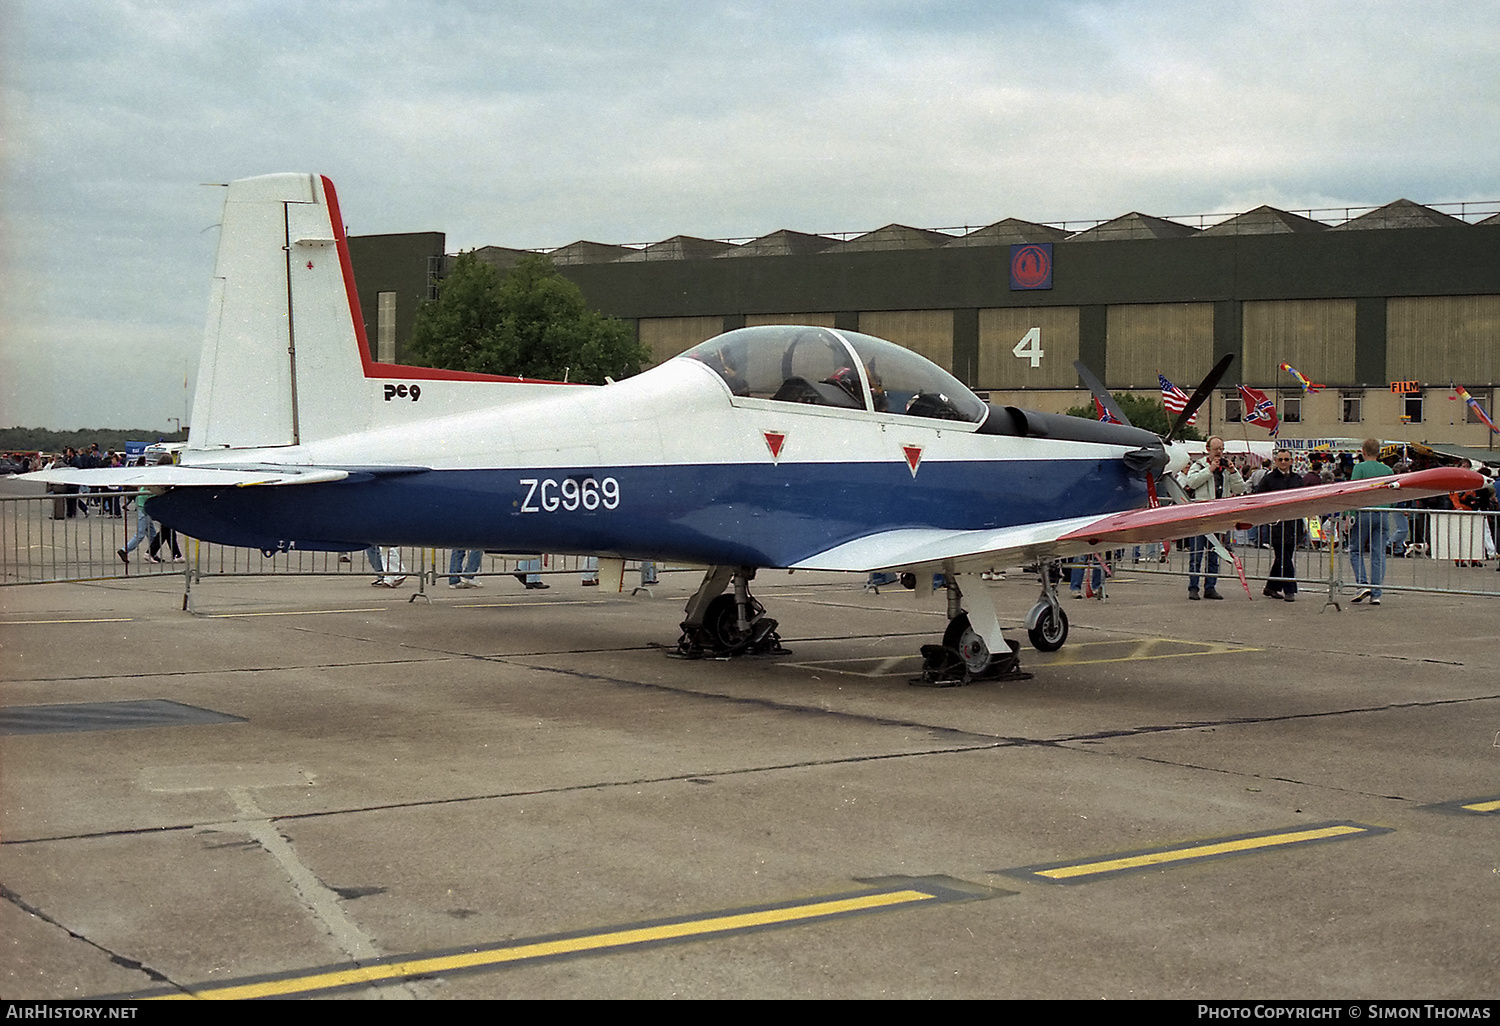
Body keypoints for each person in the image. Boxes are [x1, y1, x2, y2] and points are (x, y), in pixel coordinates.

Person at [1181, 436, 1246, 600]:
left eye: (1221, 449)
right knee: (1196, 554)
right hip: (1201, 516)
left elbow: (1240, 488)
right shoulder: (1199, 465)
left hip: (1218, 517)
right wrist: (1209, 470)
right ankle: (1193, 587)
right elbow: (1192, 482)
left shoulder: (1225, 469)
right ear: (1208, 449)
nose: (1219, 452)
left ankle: (1210, 587)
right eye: (1216, 449)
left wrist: (1233, 471)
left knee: (1214, 554)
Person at [1253, 447, 1304, 601]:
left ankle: (1271, 586)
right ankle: (1290, 589)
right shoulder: (1269, 479)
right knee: (1283, 556)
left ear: (1291, 461)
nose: (1283, 462)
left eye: (1286, 459)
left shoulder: (1297, 479)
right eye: (1280, 459)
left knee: (1284, 556)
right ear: (1275, 461)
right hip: (1276, 524)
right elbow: (1259, 497)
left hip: (1293, 523)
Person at [1348, 438, 1392, 605]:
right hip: (1383, 513)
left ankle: (1362, 583)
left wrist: (1349, 513)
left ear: (1363, 451)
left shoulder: (1359, 468)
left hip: (1363, 512)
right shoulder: (1387, 469)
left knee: (1355, 550)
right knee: (1378, 553)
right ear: (1379, 452)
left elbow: (1353, 491)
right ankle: (1376, 592)